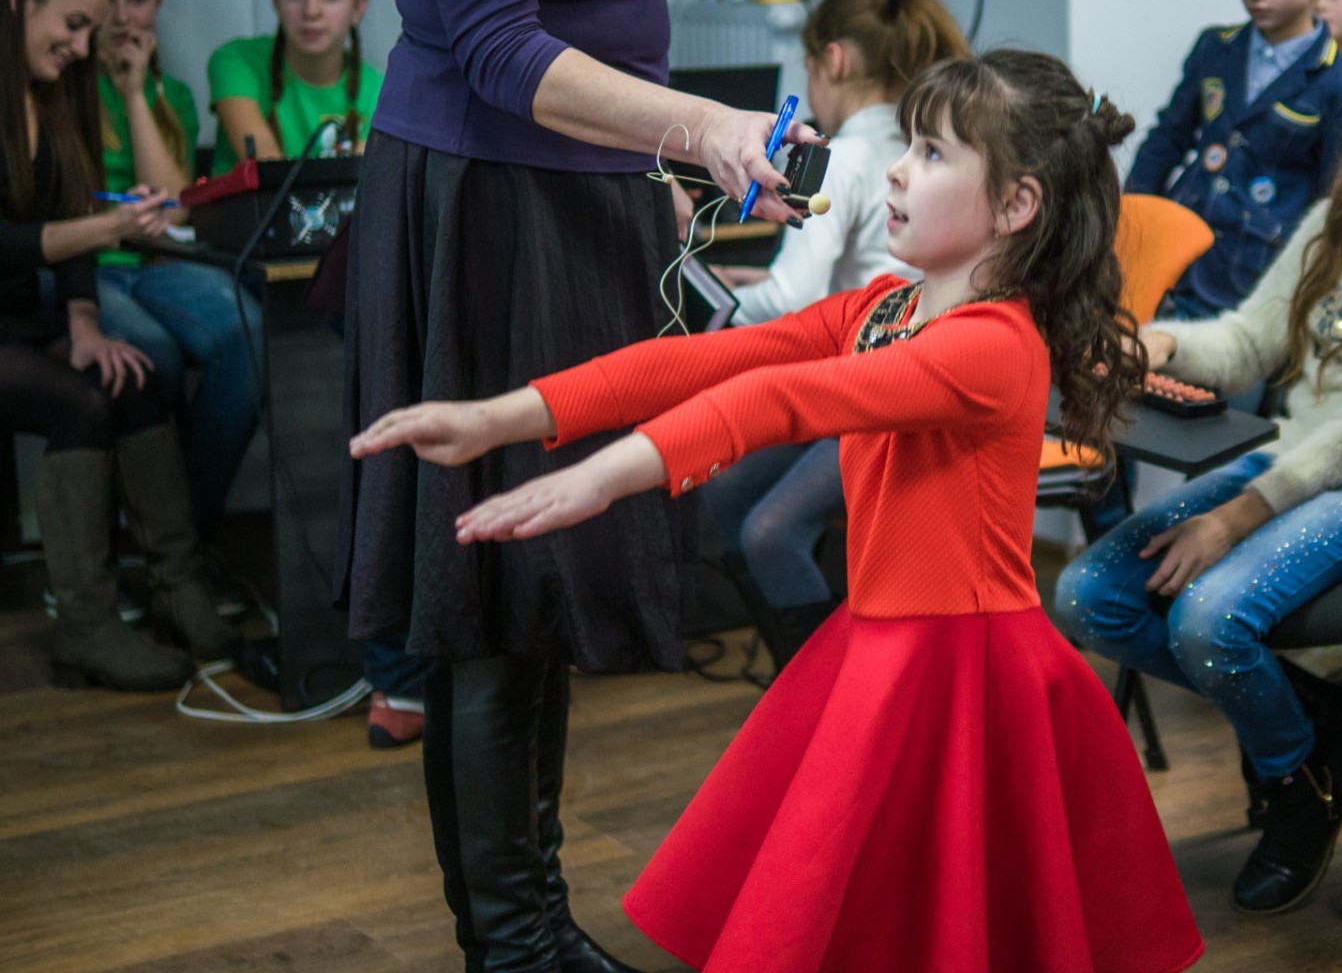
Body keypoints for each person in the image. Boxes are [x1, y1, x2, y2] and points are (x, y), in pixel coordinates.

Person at [353, 50, 1204, 973]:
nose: (896, 171)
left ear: (1015, 206)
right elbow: (709, 362)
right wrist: (505, 415)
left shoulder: (993, 346)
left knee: (957, 905)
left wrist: (604, 478)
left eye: (931, 153)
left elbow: (782, 401)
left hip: (967, 665)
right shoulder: (885, 308)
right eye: (908, 145)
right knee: (877, 899)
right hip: (884, 643)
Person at [347, 0, 816, 968]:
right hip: (489, 194)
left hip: (591, 173)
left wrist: (646, 159)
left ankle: (534, 928)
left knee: (548, 567)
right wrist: (695, 128)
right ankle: (515, 943)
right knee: (500, 578)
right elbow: (499, 47)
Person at [1057, 33, 1342, 916]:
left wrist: (1239, 514)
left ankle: (1294, 789)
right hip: (1296, 460)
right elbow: (1251, 341)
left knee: (1209, 619)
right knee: (1088, 594)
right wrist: (1161, 343)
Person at [704, 0, 966, 670]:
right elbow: (853, 278)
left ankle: (833, 688)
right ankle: (811, 676)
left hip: (891, 388)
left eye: (809, 70)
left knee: (768, 530)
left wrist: (711, 312)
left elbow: (793, 298)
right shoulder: (917, 145)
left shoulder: (842, 157)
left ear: (836, 60)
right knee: (728, 493)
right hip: (883, 366)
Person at [0, 0, 239, 690]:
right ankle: (86, 626)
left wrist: (83, 324)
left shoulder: (56, 93)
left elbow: (72, 209)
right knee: (77, 403)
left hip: (23, 316)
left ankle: (178, 589)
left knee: (129, 377)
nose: (80, 47)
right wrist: (107, 230)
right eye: (72, 25)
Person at [76, 0, 263, 534]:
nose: (121, 15)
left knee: (248, 332)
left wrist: (135, 92)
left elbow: (175, 209)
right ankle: (150, 541)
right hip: (87, 270)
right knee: (149, 354)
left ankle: (186, 532)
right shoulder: (55, 87)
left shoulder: (171, 95)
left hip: (158, 264)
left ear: (157, 4)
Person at [1125, 0, 1342, 316]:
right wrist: (1130, 219)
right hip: (1174, 255)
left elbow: (1331, 201)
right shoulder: (1215, 48)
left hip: (1254, 280)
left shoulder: (1339, 86)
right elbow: (1169, 137)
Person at [208, 0, 382, 173]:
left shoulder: (380, 90)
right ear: (275, 1)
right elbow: (267, 173)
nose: (311, 11)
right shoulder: (236, 61)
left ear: (358, 7)